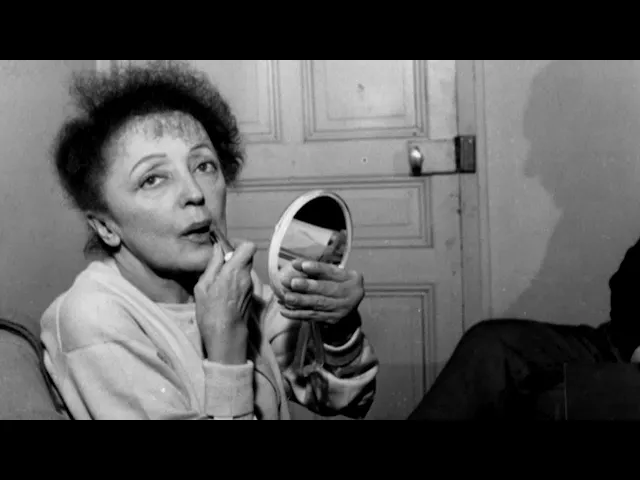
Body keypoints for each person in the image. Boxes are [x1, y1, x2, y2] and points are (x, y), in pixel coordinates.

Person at [40, 60, 379, 420]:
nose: (194, 193)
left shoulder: (231, 283)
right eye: (153, 179)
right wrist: (226, 347)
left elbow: (346, 400)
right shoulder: (92, 319)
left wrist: (338, 327)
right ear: (106, 227)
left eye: (204, 166)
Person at [408, 236, 640, 420]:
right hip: (614, 344)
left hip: (625, 367)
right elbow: (625, 285)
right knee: (491, 343)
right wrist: (634, 344)